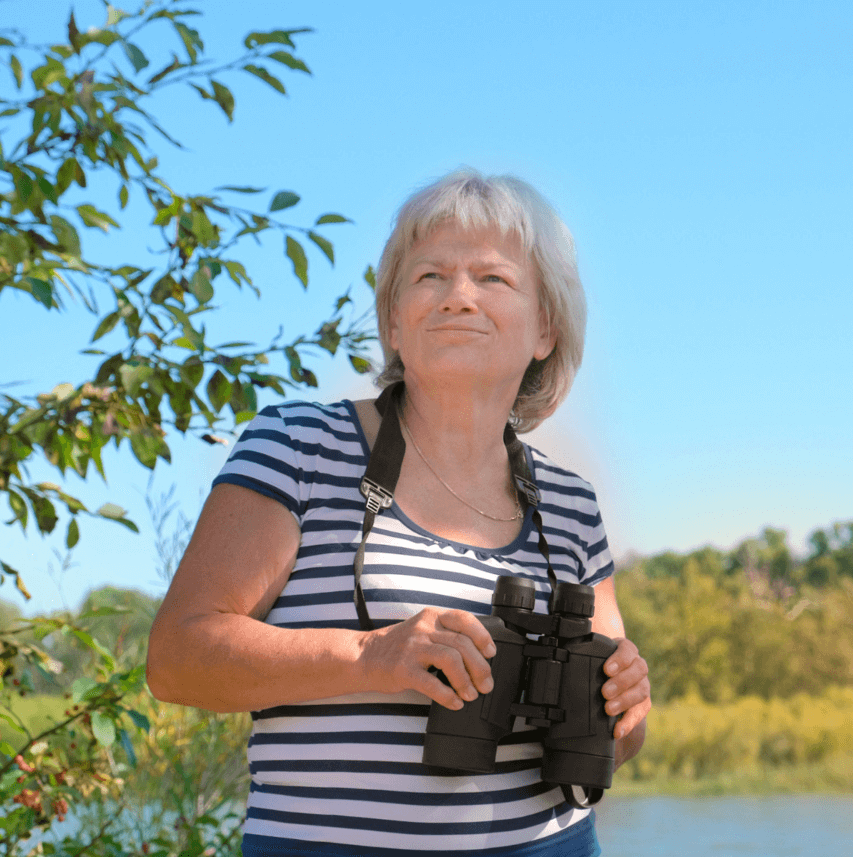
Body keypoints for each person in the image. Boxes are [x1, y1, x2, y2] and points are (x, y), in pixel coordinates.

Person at [147, 169, 651, 856]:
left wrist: (625, 699)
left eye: (493, 279)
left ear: (546, 328)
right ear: (392, 320)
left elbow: (622, 742)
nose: (457, 297)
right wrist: (372, 654)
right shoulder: (298, 448)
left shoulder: (570, 504)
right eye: (429, 277)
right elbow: (177, 659)